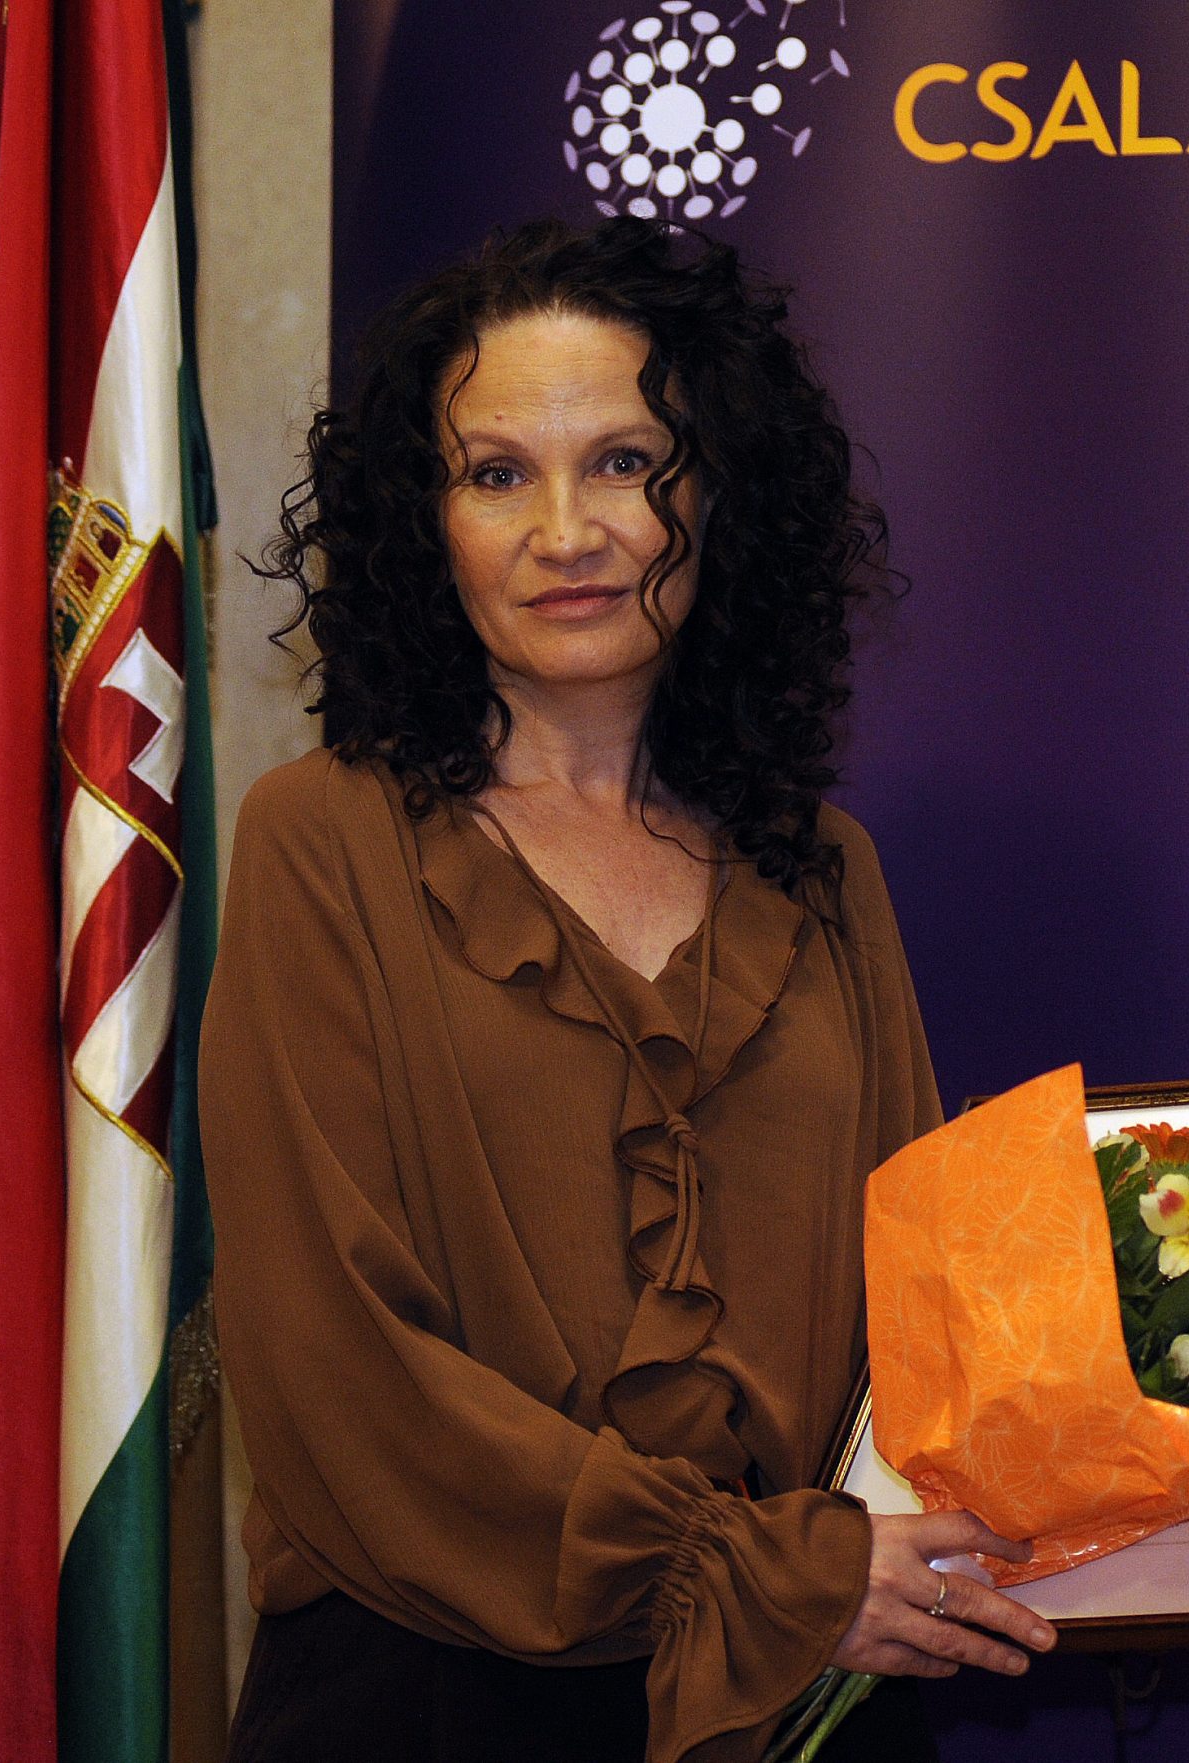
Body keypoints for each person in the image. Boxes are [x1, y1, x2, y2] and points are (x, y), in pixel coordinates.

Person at [200, 219, 1054, 1763]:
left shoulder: (825, 871)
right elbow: (334, 1367)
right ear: (423, 525)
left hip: (809, 1690)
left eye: (624, 462)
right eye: (495, 473)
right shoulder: (322, 842)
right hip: (436, 1697)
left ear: (717, 497)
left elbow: (926, 1318)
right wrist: (746, 1579)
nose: (565, 530)